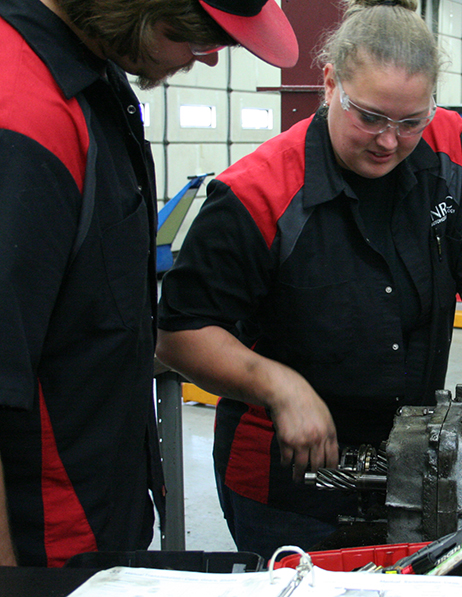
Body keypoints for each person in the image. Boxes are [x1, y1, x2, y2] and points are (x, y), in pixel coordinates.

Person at [155, 0, 462, 560]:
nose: (389, 141)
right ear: (328, 83)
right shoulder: (256, 193)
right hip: (288, 480)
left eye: (410, 122)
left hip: (413, 464)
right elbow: (180, 334)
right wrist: (281, 387)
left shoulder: (451, 147)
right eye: (368, 117)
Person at [0, 0, 298, 567]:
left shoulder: (94, 79)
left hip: (99, 518)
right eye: (196, 36)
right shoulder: (23, 114)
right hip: (43, 546)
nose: (207, 61)